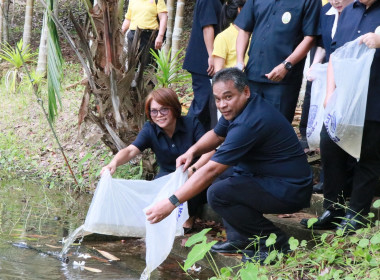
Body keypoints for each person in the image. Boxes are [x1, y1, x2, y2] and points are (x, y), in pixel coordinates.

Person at [145, 68, 313, 262]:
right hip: (265, 176)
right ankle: (239, 237)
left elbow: (212, 169)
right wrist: (192, 151)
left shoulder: (250, 122)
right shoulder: (240, 109)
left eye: (228, 97)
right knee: (224, 179)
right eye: (217, 99)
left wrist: (172, 202)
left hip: (290, 188)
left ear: (246, 92)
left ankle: (276, 242)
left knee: (219, 192)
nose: (222, 105)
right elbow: (217, 135)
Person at [301, 0, 380, 233]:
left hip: (375, 97)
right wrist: (329, 92)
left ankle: (357, 214)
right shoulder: (347, 13)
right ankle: (333, 209)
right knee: (330, 147)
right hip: (344, 99)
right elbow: (335, 54)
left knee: (369, 156)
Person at [101, 88, 209, 230]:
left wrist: (193, 169)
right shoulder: (150, 129)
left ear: (174, 108)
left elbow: (210, 152)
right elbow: (131, 150)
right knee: (155, 200)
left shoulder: (191, 123)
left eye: (164, 110)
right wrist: (113, 163)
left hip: (195, 171)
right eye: (154, 111)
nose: (159, 115)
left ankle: (190, 218)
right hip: (167, 175)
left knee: (190, 184)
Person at [234, 0, 321, 123]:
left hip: (283, 80)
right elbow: (244, 29)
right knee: (248, 126)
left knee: (276, 130)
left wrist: (286, 64)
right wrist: (239, 60)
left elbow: (310, 38)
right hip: (252, 75)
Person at [183, 0, 222, 131]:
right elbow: (207, 27)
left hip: (206, 61)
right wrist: (211, 55)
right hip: (204, 61)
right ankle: (184, 137)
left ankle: (200, 142)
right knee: (202, 104)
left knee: (209, 106)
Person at [122, 0, 168, 67]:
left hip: (149, 36)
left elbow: (163, 18)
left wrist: (160, 36)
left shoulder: (157, 0)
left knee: (149, 65)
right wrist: (120, 32)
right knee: (132, 66)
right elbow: (128, 19)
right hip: (133, 35)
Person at [212, 0, 248, 73]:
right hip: (234, 83)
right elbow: (218, 71)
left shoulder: (254, 33)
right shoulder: (223, 37)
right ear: (240, 10)